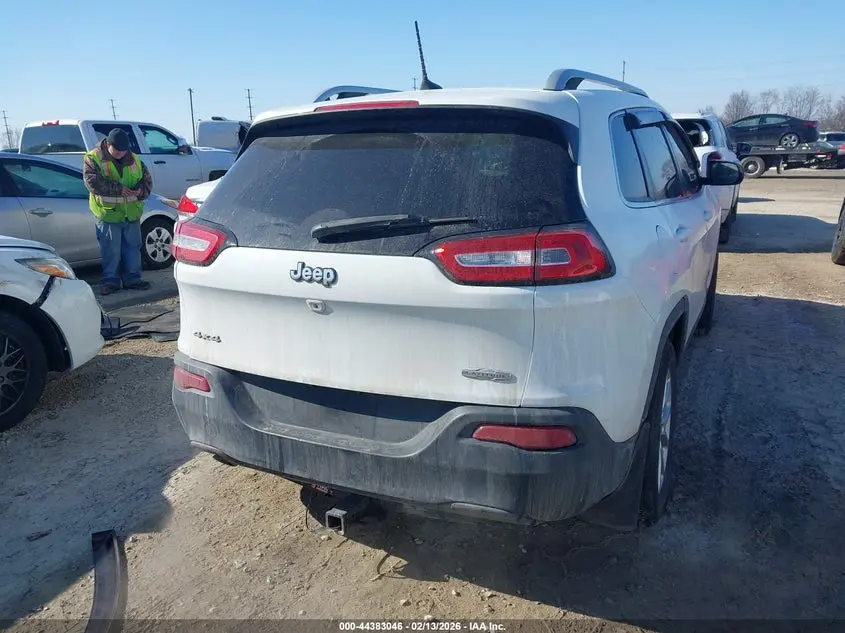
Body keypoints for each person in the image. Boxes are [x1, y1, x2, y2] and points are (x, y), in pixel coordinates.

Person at [82, 128, 153, 295]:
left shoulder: (134, 159)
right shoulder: (93, 158)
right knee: (111, 250)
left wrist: (139, 191)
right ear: (108, 145)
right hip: (108, 214)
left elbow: (147, 183)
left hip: (132, 213)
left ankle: (133, 279)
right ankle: (110, 281)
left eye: (124, 151)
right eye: (117, 151)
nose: (121, 154)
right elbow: (92, 183)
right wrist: (118, 190)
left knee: (132, 248)